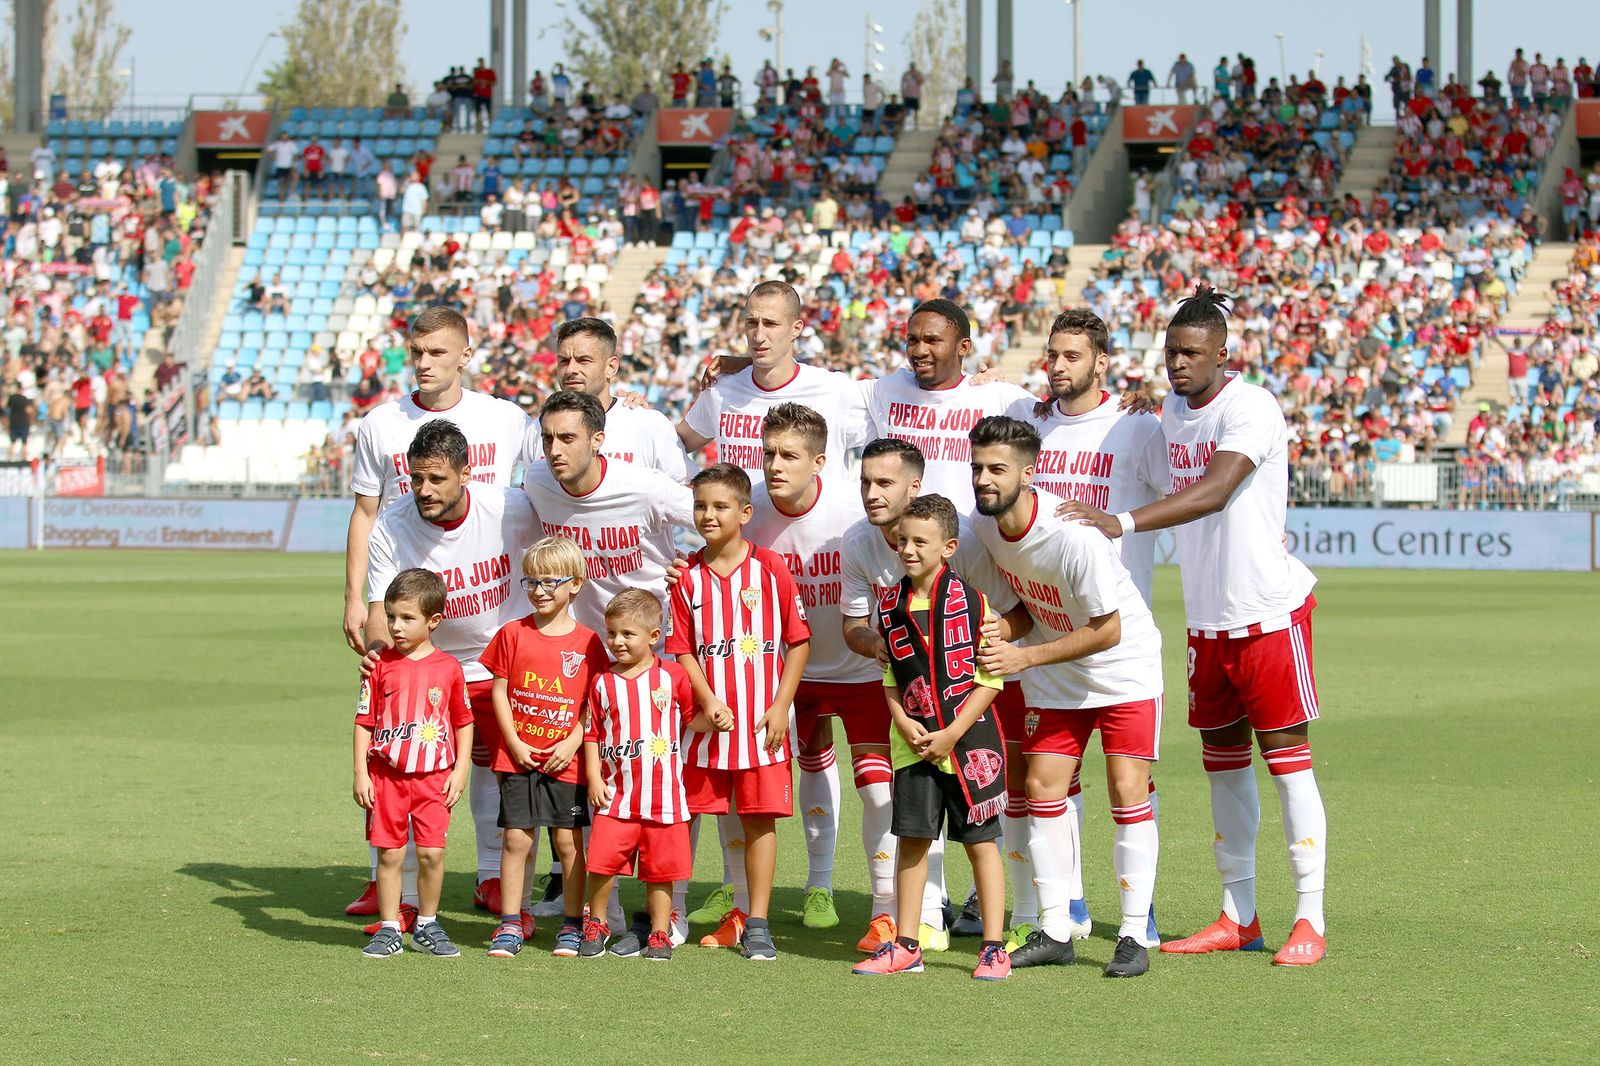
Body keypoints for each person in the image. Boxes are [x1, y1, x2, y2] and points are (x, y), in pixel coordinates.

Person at [1060, 287, 1329, 966]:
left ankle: (1310, 916)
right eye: (1169, 352)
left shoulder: (1252, 407)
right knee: (1223, 769)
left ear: (1222, 353)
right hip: (1207, 623)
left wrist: (1118, 522)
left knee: (1289, 765)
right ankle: (1238, 914)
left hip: (1267, 613)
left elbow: (1215, 488)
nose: (1176, 364)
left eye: (1189, 353)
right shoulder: (1174, 411)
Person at [967, 415, 1165, 979]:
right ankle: (1055, 927)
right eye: (978, 466)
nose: (984, 478)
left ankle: (1131, 934)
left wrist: (1022, 656)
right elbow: (1034, 602)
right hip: (1058, 670)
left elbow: (1108, 629)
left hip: (1123, 670)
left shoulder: (1073, 535)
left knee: (1126, 787)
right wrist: (1004, 631)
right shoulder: (984, 527)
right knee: (1040, 786)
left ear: (1029, 473)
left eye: (997, 469)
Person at [838, 437, 1025, 952]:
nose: (909, 551)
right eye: (903, 543)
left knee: (981, 845)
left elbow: (990, 681)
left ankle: (992, 946)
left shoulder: (971, 602)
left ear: (948, 547)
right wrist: (902, 721)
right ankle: (905, 942)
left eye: (921, 543)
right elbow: (891, 677)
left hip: (969, 745)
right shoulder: (893, 603)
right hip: (913, 745)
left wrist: (952, 734)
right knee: (912, 843)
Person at [359, 420, 538, 934]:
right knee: (407, 774)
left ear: (466, 473)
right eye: (416, 478)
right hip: (428, 666)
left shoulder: (511, 506)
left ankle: (496, 885)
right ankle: (406, 898)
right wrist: (379, 656)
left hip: (502, 663)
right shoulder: (393, 524)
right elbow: (380, 608)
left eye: (436, 478)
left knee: (505, 778)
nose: (424, 490)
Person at [666, 463, 811, 961]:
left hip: (759, 726)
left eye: (720, 506)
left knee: (758, 823)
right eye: (701, 505)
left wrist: (780, 707)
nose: (708, 514)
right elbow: (683, 649)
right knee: (682, 816)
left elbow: (798, 642)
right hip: (704, 728)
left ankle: (757, 922)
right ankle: (672, 914)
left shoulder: (771, 568)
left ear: (745, 513)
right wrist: (705, 701)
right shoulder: (687, 578)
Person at [742, 403, 874, 936]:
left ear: (819, 462)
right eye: (768, 452)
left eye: (788, 455)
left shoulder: (852, 508)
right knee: (801, 768)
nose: (774, 464)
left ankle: (901, 904)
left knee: (879, 787)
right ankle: (816, 887)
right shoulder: (748, 506)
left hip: (859, 663)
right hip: (783, 673)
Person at [481, 537, 610, 960]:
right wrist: (514, 742)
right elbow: (499, 691)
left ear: (575, 584)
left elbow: (596, 703)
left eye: (550, 582)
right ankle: (511, 923)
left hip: (566, 759)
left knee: (569, 843)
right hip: (518, 757)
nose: (539, 590)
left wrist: (573, 742)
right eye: (531, 581)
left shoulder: (590, 643)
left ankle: (573, 924)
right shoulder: (511, 634)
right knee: (517, 840)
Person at [580, 590, 722, 962]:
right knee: (601, 864)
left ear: (654, 636)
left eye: (628, 634)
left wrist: (716, 721)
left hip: (664, 798)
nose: (617, 642)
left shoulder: (672, 676)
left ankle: (659, 932)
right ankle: (596, 924)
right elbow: (592, 733)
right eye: (612, 633)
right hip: (617, 796)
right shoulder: (601, 682)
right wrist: (594, 777)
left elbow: (692, 719)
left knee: (661, 872)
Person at [353, 568, 474, 959]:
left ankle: (427, 923)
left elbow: (463, 722)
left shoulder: (449, 668)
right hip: (386, 777)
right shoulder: (378, 666)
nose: (396, 626)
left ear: (434, 621)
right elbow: (364, 722)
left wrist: (460, 771)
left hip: (434, 779)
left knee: (431, 853)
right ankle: (389, 927)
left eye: (407, 618)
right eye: (391, 616)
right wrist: (360, 773)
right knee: (389, 854)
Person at [677, 280, 870, 482]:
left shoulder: (834, 390)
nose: (759, 335)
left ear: (796, 329)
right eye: (752, 323)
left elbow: (900, 407)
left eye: (771, 324)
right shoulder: (721, 388)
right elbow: (673, 445)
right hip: (742, 514)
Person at [861, 299, 1035, 513]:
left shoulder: (996, 395)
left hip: (970, 540)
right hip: (901, 540)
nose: (919, 351)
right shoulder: (884, 391)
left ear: (963, 347)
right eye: (912, 340)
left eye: (932, 340)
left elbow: (1063, 419)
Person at [529, 317, 687, 479]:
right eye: (564, 361)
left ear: (611, 367)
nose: (571, 369)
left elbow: (686, 490)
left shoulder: (649, 424)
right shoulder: (537, 430)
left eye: (584, 360)